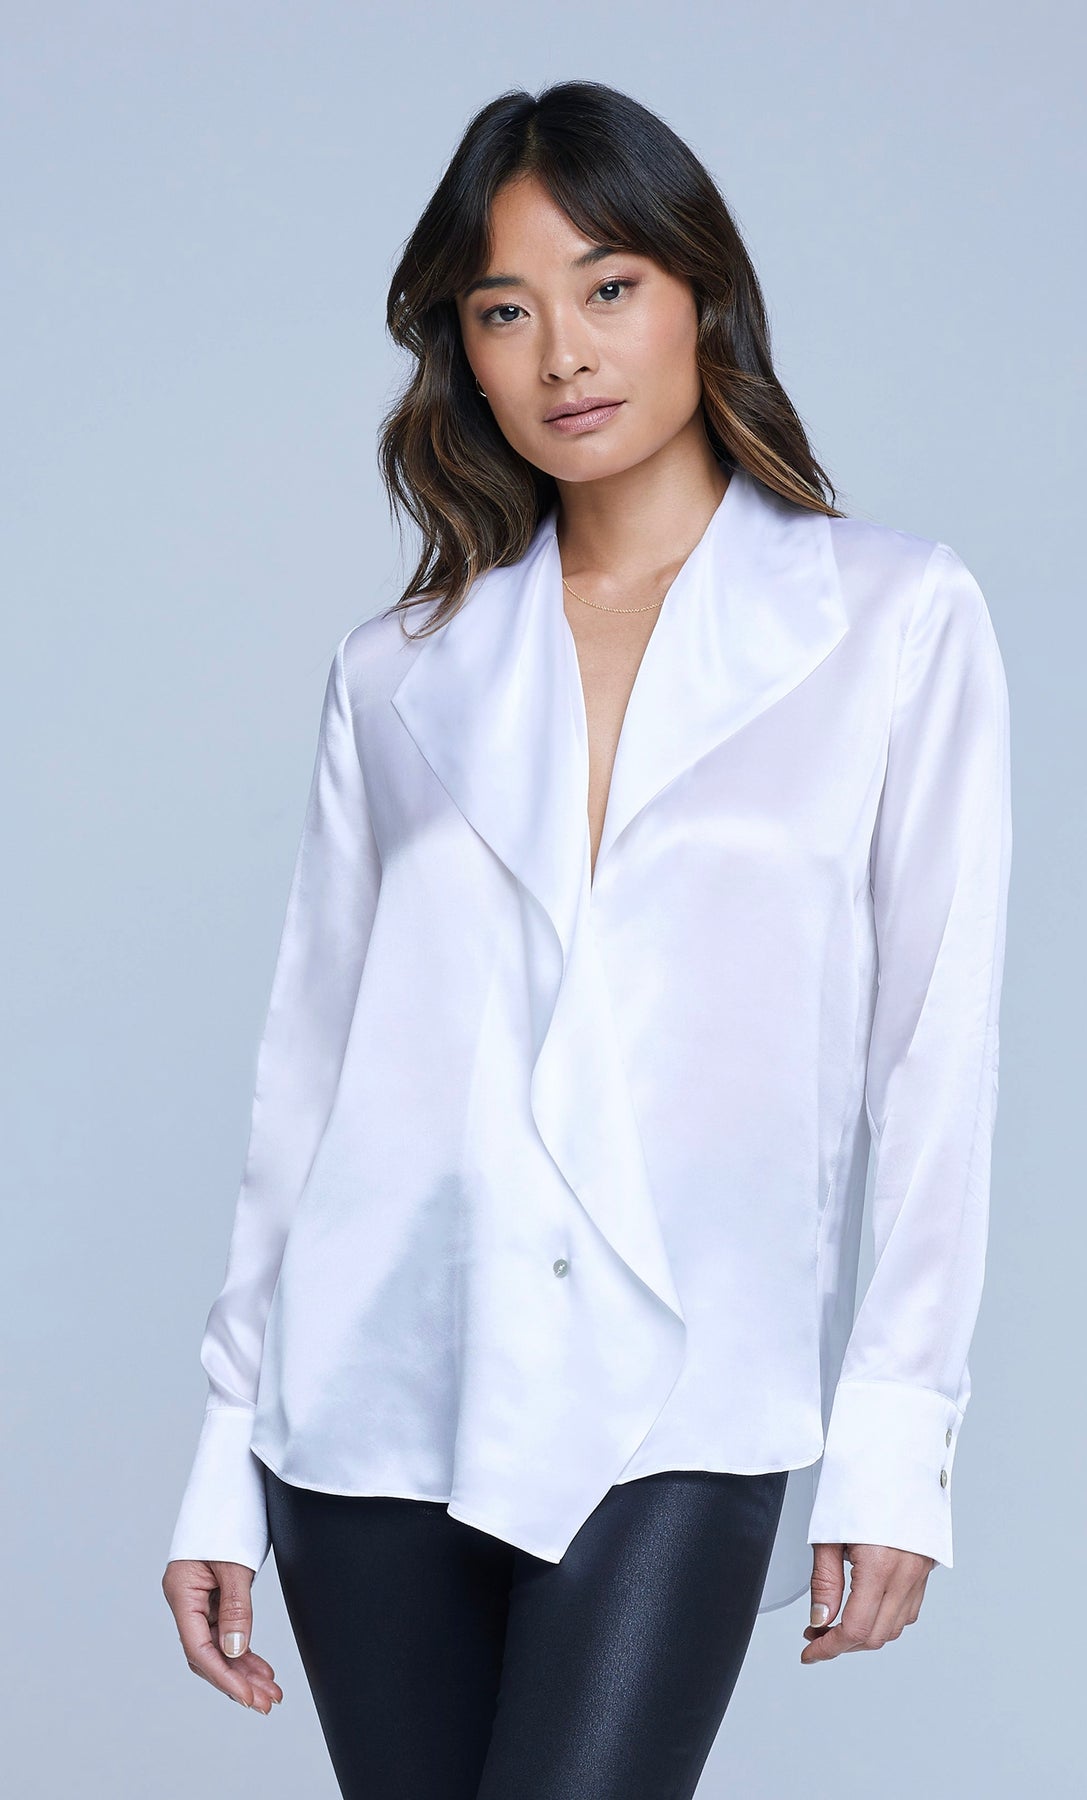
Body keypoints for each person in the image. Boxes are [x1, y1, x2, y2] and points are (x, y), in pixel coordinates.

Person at [161, 78, 1014, 1800]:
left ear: (701, 291)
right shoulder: (399, 671)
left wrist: (897, 1436)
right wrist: (221, 1453)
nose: (563, 352)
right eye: (505, 311)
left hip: (689, 1388)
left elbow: (937, 1053)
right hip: (375, 1397)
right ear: (463, 354)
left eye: (609, 286)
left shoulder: (892, 621)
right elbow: (307, 1078)